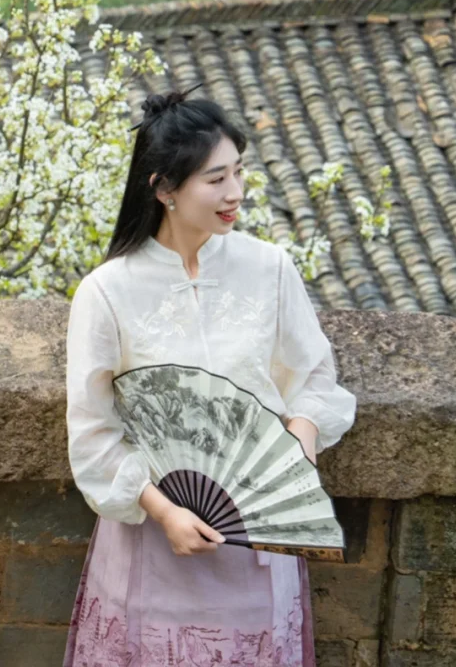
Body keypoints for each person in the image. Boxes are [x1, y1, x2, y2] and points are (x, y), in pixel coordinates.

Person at [62, 90, 357, 666]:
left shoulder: (269, 268)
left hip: (259, 543)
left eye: (239, 172)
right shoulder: (107, 292)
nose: (235, 193)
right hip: (154, 536)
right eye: (215, 179)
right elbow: (94, 434)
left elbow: (315, 376)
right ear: (165, 189)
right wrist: (166, 511)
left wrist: (301, 436)